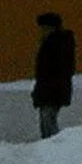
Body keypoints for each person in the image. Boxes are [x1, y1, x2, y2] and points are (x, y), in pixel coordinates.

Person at [32, 11, 75, 139]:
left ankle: (54, 148)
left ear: (51, 28)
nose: (42, 31)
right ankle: (51, 147)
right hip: (49, 90)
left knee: (48, 123)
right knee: (47, 121)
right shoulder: (55, 43)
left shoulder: (56, 44)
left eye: (44, 28)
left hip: (52, 90)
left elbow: (58, 69)